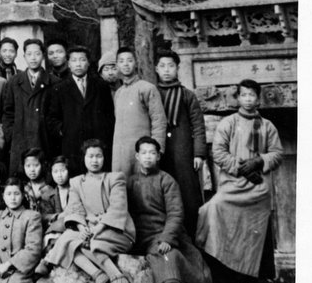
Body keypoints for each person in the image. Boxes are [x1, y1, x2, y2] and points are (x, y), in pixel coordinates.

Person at [128, 136, 222, 283]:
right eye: (144, 153)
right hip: (146, 236)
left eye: (153, 152)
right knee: (165, 257)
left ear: (158, 156)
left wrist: (167, 238)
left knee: (198, 268)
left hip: (172, 233)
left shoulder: (166, 180)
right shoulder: (130, 182)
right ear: (137, 156)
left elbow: (176, 213)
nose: (148, 157)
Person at [196, 79, 283, 281]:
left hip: (258, 188)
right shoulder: (229, 123)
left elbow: (277, 154)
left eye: (252, 95)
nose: (247, 99)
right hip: (232, 186)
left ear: (258, 98)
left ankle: (255, 279)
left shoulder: (267, 126)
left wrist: (259, 161)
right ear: (238, 98)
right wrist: (240, 168)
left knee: (256, 223)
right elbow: (218, 152)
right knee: (213, 208)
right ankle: (224, 274)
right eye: (244, 95)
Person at [37, 139, 135, 283]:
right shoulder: (76, 183)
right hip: (90, 229)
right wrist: (83, 228)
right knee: (69, 239)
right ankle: (98, 275)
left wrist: (98, 228)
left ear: (104, 158)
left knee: (88, 243)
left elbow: (117, 208)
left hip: (116, 230)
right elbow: (76, 209)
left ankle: (117, 276)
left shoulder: (115, 179)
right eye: (90, 156)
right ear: (84, 158)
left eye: (99, 156)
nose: (95, 160)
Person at [154, 49, 207, 238]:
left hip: (183, 151)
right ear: (156, 69)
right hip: (160, 150)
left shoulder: (187, 95)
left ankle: (193, 237)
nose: (166, 70)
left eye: (171, 66)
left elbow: (198, 126)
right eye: (162, 66)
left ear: (177, 68)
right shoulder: (152, 93)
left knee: (188, 195)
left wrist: (198, 153)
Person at [46, 45, 115, 173]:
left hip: (97, 145)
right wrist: (64, 131)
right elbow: (52, 118)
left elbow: (109, 116)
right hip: (72, 144)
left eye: (82, 60)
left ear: (88, 63)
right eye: (74, 60)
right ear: (68, 64)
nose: (78, 64)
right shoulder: (59, 88)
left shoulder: (101, 86)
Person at [2, 39, 56, 175]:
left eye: (37, 54)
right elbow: (8, 113)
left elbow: (56, 115)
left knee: (44, 178)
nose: (33, 58)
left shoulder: (54, 82)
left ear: (43, 56)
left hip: (44, 140)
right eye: (29, 54)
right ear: (24, 56)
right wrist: (12, 135)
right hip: (20, 141)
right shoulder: (14, 82)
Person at [111, 47, 166, 177]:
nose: (125, 64)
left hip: (142, 153)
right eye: (121, 61)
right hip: (121, 154)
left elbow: (159, 121)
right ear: (117, 65)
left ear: (136, 63)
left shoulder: (147, 88)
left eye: (129, 60)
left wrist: (157, 151)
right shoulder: (118, 93)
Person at [20, 148, 56, 223]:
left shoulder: (51, 188)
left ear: (42, 165)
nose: (32, 170)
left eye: (36, 165)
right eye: (28, 166)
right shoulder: (23, 188)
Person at [43, 155, 72, 234]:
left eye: (62, 171)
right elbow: (45, 216)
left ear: (68, 171)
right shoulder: (47, 195)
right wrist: (58, 216)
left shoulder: (75, 190)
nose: (59, 175)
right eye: (55, 172)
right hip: (56, 229)